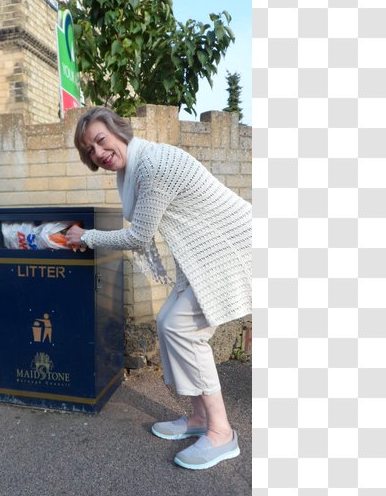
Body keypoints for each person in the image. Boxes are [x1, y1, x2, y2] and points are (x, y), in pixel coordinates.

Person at [65, 106, 251, 470]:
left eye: (101, 141)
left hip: (234, 251)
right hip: (206, 257)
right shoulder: (131, 171)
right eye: (89, 151)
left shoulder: (152, 164)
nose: (98, 154)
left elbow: (139, 236)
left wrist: (86, 237)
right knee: (169, 321)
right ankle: (198, 419)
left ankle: (222, 433)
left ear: (118, 131)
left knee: (184, 329)